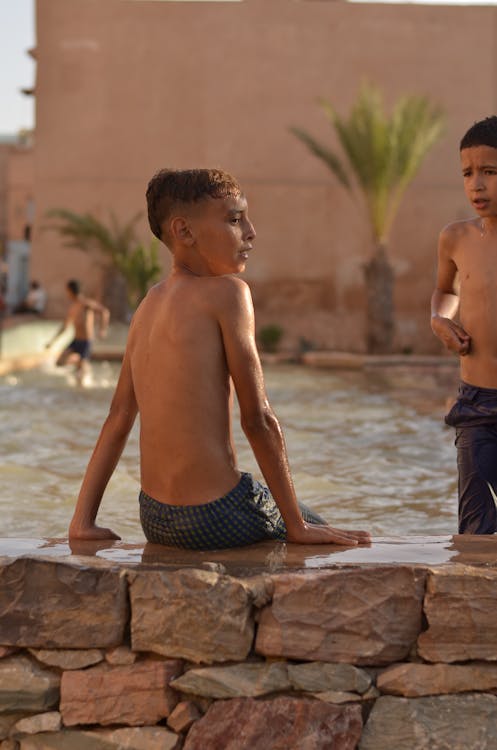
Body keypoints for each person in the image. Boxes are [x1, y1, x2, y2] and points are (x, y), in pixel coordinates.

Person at [68, 168, 371, 549]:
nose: (250, 231)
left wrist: (82, 521)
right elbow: (258, 418)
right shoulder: (228, 294)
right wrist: (297, 526)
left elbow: (118, 418)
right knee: (319, 526)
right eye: (234, 219)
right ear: (184, 232)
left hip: (155, 516)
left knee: (296, 516)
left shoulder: (148, 305)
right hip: (213, 514)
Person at [431, 115, 497, 534]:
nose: (476, 184)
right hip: (475, 403)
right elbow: (445, 290)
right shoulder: (456, 238)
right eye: (468, 173)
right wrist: (440, 317)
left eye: (490, 172)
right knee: (475, 527)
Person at [46, 279, 110, 384]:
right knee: (59, 362)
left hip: (86, 342)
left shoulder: (86, 304)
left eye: (67, 291)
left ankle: (82, 366)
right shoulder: (73, 308)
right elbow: (65, 327)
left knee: (81, 379)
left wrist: (103, 329)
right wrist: (52, 341)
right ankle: (80, 363)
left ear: (70, 291)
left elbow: (105, 312)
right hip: (76, 341)